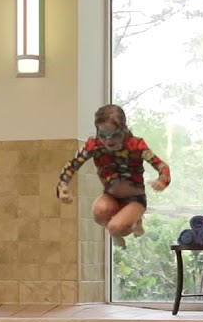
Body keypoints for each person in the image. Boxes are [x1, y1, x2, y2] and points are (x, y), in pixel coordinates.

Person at [57, 104, 172, 247]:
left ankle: (134, 222)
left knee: (115, 227)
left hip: (135, 200)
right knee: (99, 212)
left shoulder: (135, 145)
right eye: (103, 135)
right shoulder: (94, 145)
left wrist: (162, 181)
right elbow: (71, 166)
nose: (108, 141)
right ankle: (119, 229)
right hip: (111, 196)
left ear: (123, 130)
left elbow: (162, 166)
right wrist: (62, 187)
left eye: (115, 135)